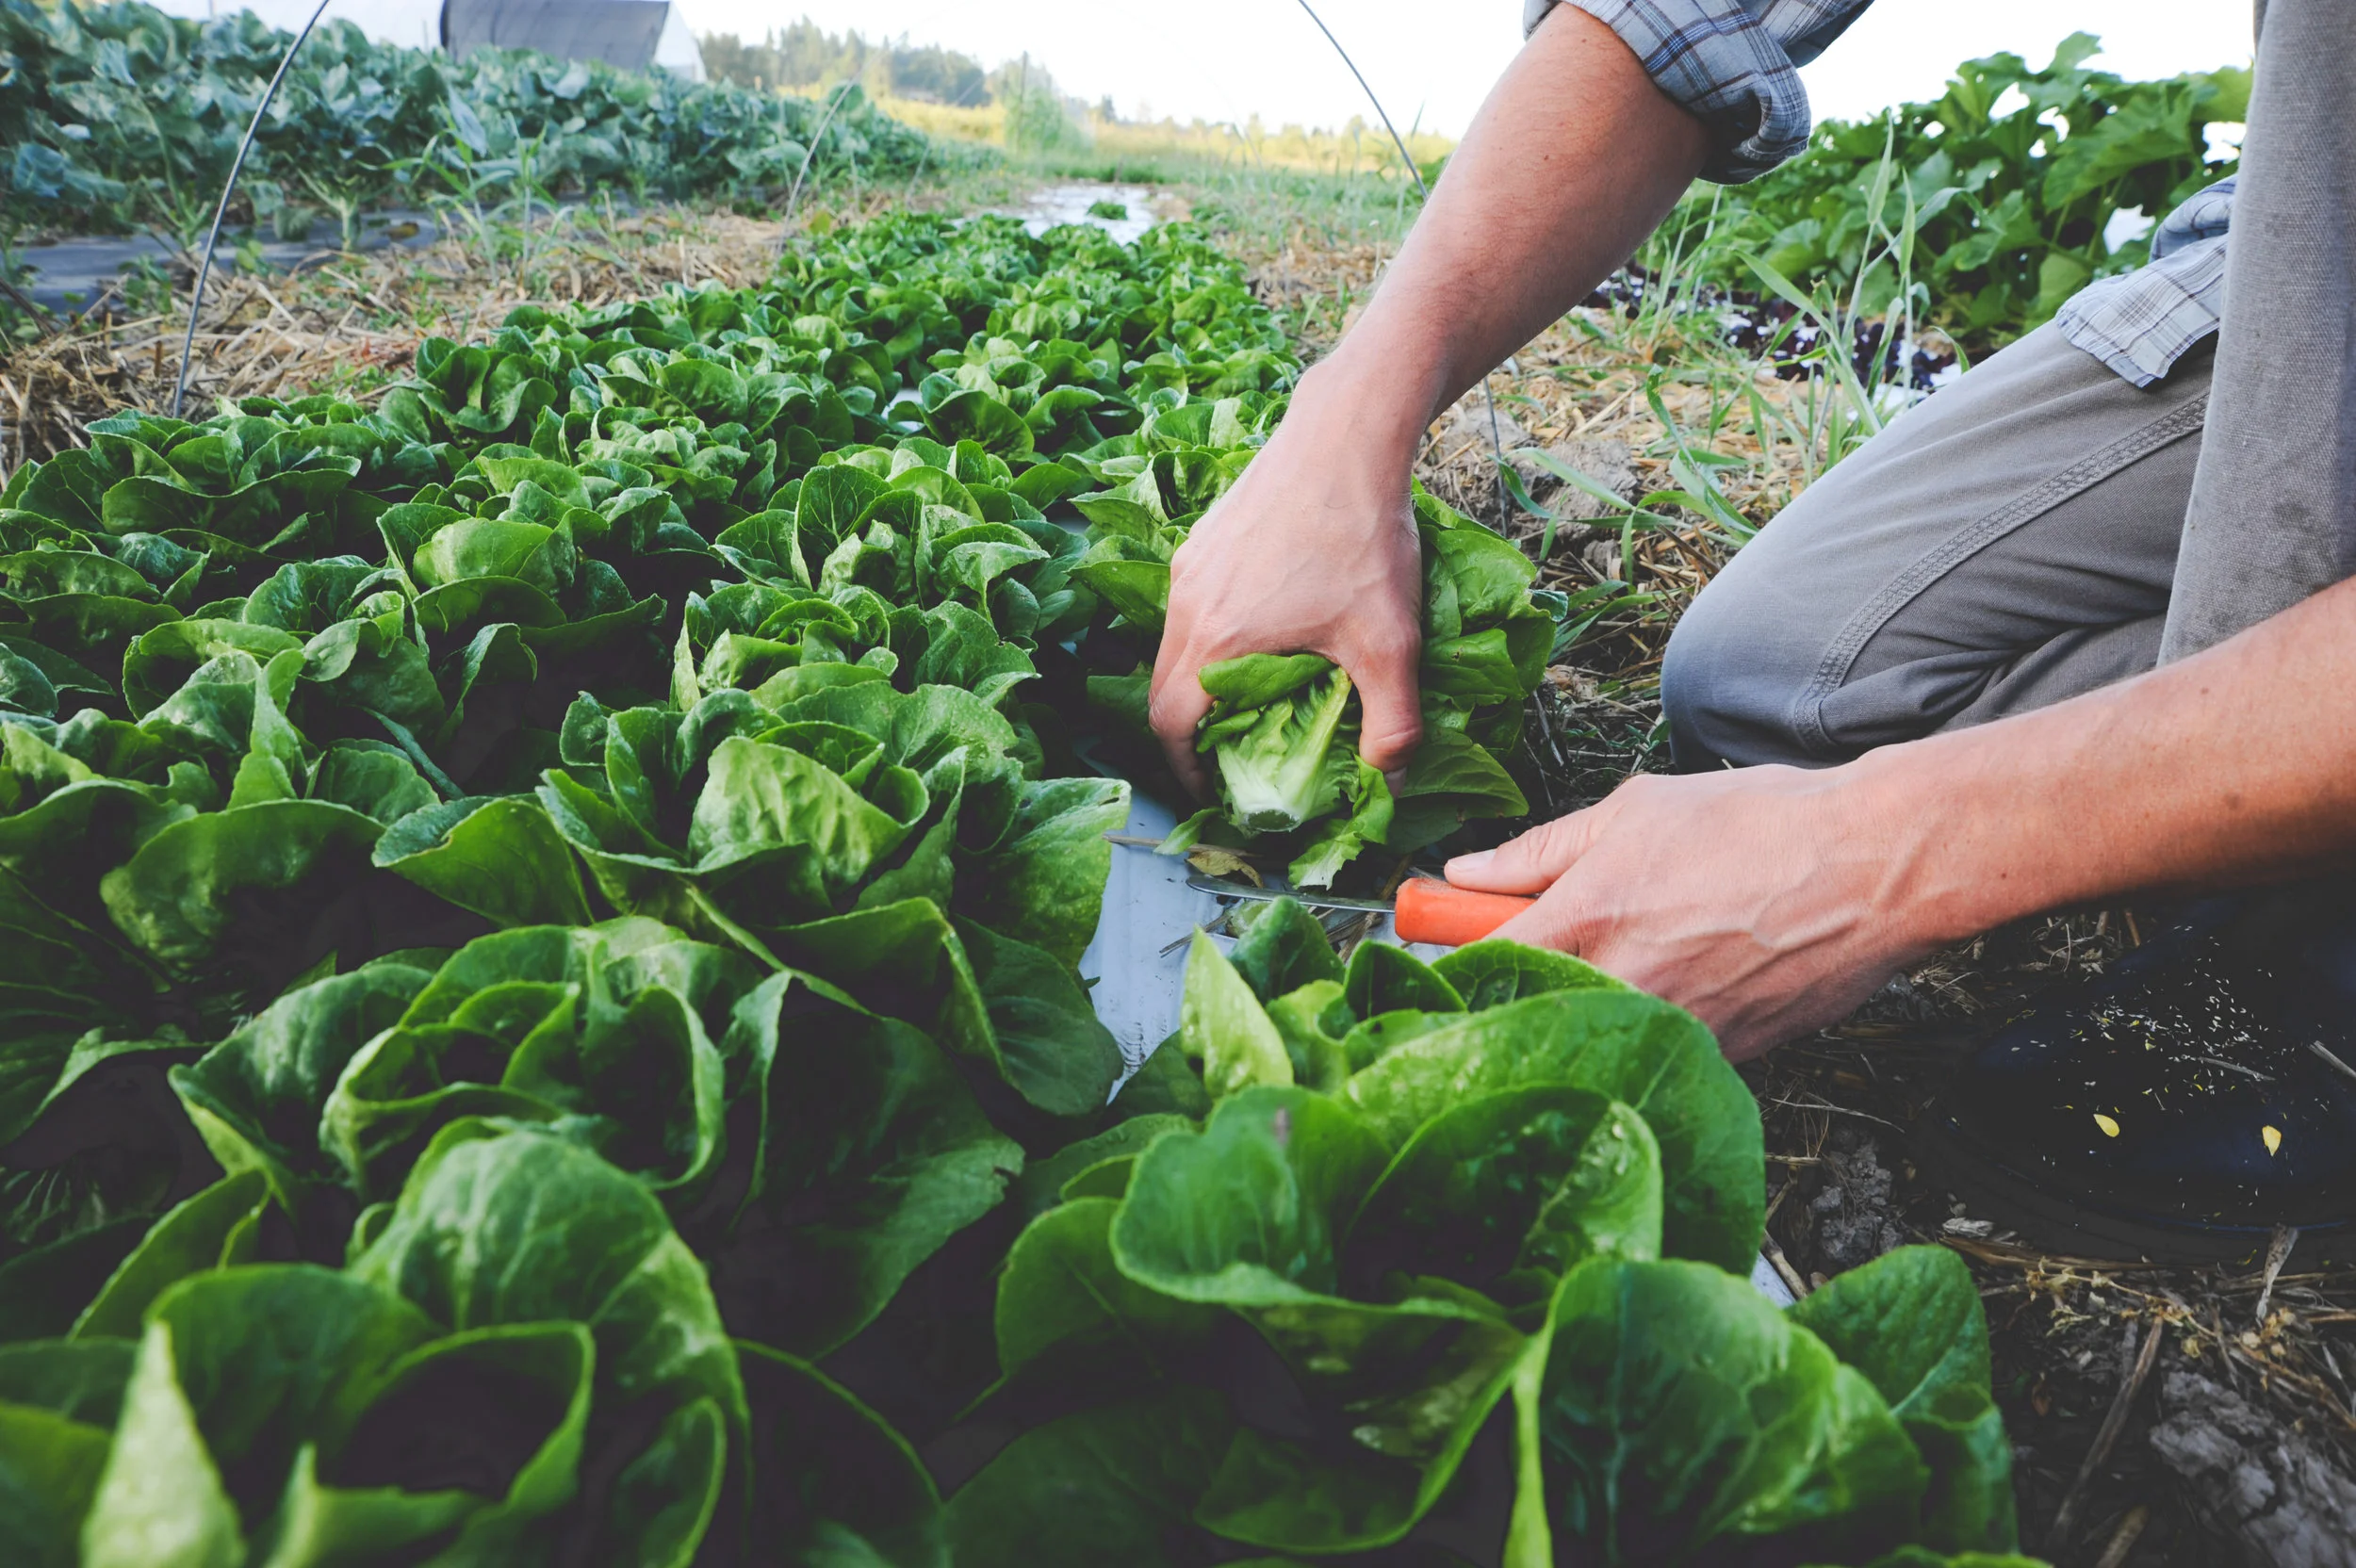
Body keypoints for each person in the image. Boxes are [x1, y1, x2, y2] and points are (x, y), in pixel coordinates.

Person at [1148, 0, 2356, 1260]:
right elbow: (1675, 20)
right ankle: (2254, 746)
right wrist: (1344, 426)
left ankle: (2308, 907)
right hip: (2309, 248)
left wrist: (1880, 852)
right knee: (1775, 685)